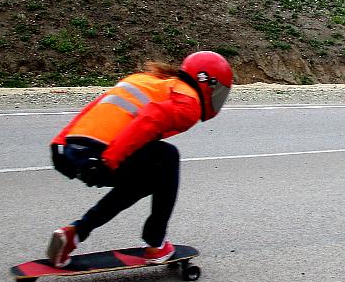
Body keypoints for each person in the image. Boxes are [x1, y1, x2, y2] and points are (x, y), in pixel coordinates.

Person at [46, 51, 233, 267]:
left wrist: (59, 142)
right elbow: (150, 119)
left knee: (145, 180)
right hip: (101, 154)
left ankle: (74, 234)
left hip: (75, 149)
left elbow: (97, 106)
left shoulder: (149, 81)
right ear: (208, 83)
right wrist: (109, 161)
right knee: (168, 157)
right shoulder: (188, 103)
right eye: (218, 89)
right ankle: (156, 242)